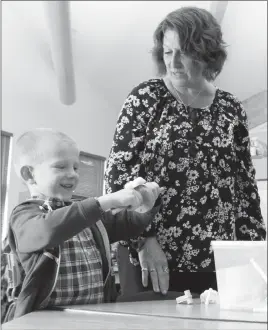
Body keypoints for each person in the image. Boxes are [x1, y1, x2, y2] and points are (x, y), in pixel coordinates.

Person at [105, 6, 266, 297]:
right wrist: (144, 240)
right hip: (153, 258)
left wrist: (253, 251)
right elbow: (119, 176)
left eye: (185, 52)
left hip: (219, 261)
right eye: (168, 52)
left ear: (207, 54)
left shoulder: (231, 108)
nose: (174, 63)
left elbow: (244, 188)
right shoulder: (146, 98)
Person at [1, 128, 162, 323]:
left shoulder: (88, 216)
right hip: (41, 322)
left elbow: (128, 224)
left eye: (76, 168)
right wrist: (104, 202)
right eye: (61, 167)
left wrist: (145, 206)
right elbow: (48, 230)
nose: (72, 175)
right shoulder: (24, 215)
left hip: (91, 318)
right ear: (30, 174)